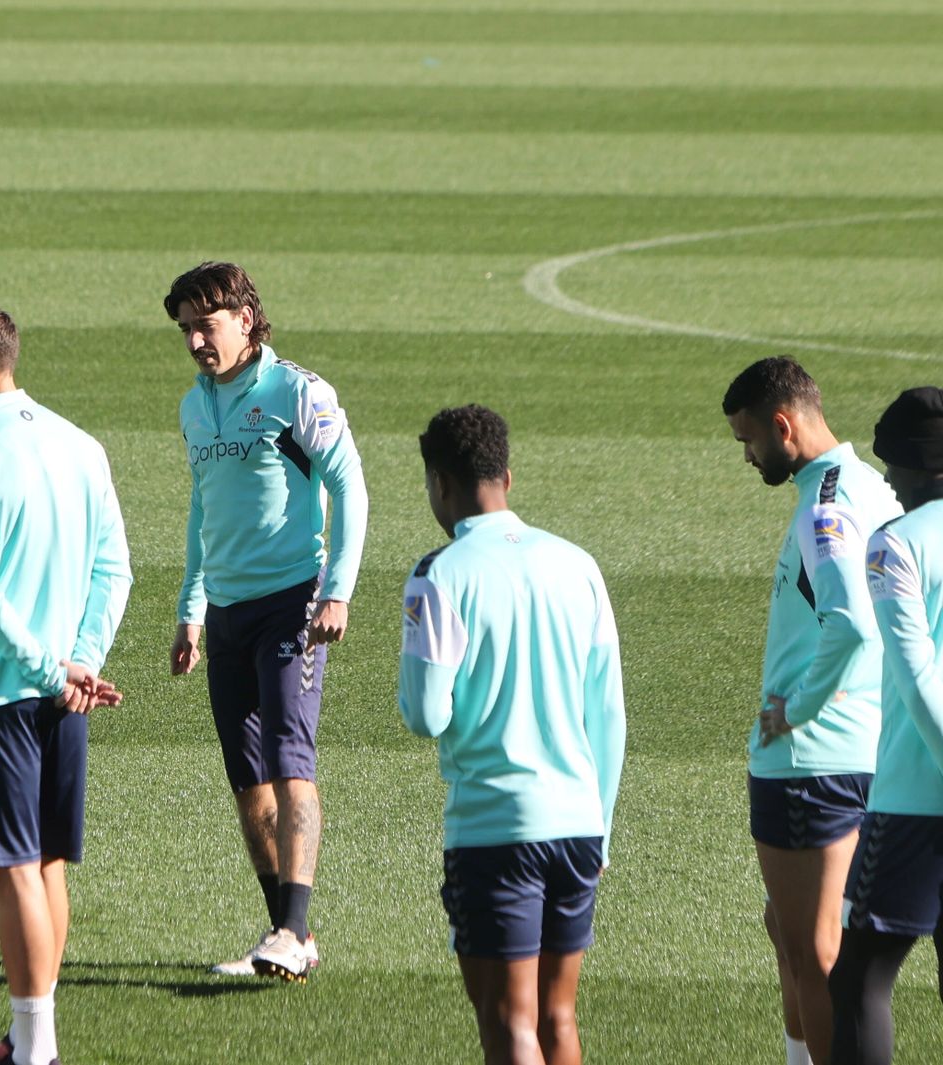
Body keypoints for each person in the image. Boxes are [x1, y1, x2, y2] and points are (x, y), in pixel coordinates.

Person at [0, 303, 131, 1065]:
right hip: (66, 693)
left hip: (0, 693)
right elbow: (115, 568)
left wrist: (50, 667)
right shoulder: (81, 444)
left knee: (14, 874)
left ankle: (36, 1049)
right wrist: (80, 662)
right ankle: (28, 1037)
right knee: (45, 868)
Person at [399, 405, 625, 1065]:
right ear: (507, 475)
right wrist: (601, 825)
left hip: (496, 828)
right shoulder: (577, 563)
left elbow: (426, 715)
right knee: (558, 1017)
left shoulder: (440, 573)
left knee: (509, 1025)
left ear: (440, 482)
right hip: (579, 823)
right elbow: (608, 712)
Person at [163, 261, 367, 980]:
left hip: (292, 600)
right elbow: (202, 506)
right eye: (185, 329)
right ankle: (287, 933)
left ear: (245, 319)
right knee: (247, 779)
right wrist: (191, 609)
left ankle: (292, 928)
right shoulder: (194, 407)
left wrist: (337, 590)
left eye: (206, 325)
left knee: (288, 759)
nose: (195, 341)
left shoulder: (296, 392)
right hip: (226, 611)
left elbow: (350, 483)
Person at [722, 356, 899, 1065]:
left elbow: (851, 624)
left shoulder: (825, 505)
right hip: (868, 749)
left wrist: (796, 709)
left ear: (783, 425)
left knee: (814, 950)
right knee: (788, 929)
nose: (747, 456)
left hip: (810, 761)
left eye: (748, 439)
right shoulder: (874, 487)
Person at [828, 388, 943, 1064]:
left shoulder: (896, 543)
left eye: (894, 464)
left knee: (858, 980)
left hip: (914, 803)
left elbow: (918, 675)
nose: (890, 482)